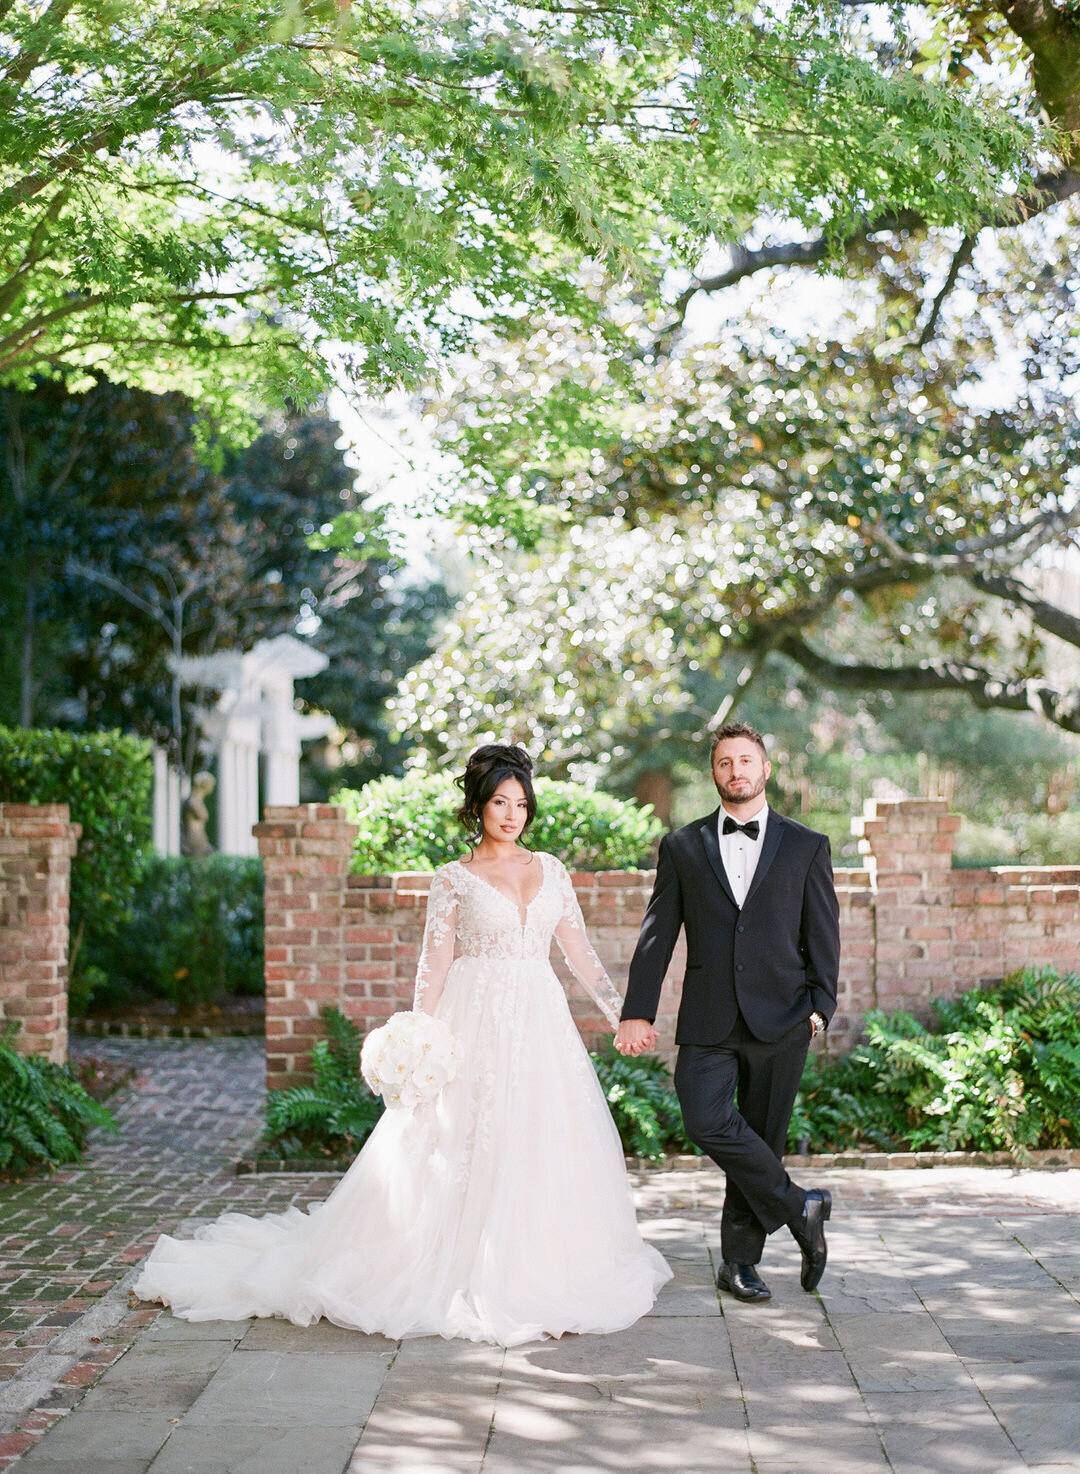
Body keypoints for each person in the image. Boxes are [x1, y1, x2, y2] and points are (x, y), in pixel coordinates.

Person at [135, 744, 671, 1345]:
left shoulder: (550, 870)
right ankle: (447, 1262)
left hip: (540, 1021)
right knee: (464, 1138)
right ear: (478, 806)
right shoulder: (454, 879)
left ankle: (539, 1262)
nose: (512, 814)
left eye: (521, 803)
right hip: (474, 1019)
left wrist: (625, 1015)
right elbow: (433, 966)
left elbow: (579, 955)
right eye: (500, 801)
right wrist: (421, 1040)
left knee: (540, 1131)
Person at [615, 722, 840, 1304]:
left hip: (784, 1016)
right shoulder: (683, 847)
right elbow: (656, 935)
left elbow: (823, 933)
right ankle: (800, 1208)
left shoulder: (807, 845)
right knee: (705, 1119)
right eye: (724, 763)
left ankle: (739, 1264)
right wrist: (637, 1011)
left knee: (762, 1139)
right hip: (709, 1017)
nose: (737, 771)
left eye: (746, 761)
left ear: (765, 769)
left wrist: (821, 1006)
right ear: (714, 773)